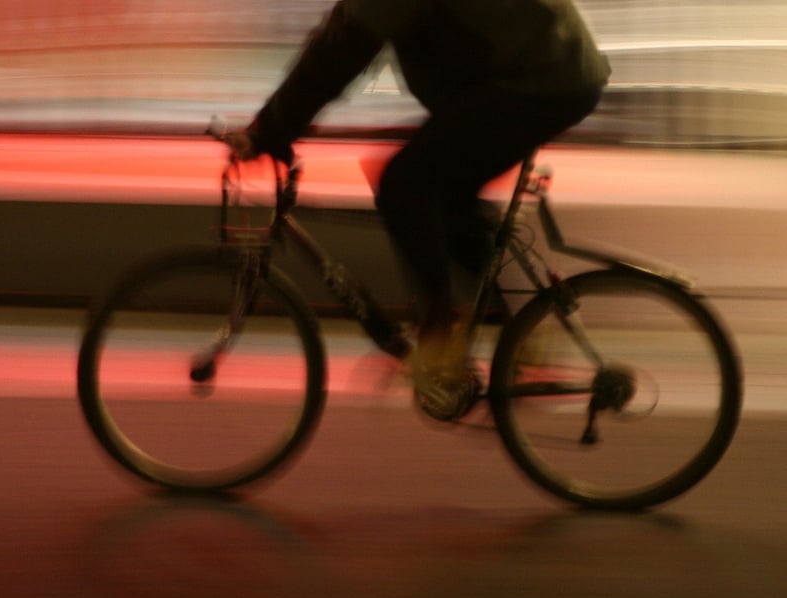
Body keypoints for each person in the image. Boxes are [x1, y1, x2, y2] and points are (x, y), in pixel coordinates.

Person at [228, 0, 610, 420]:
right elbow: (342, 33)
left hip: (540, 75)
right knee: (446, 193)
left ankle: (440, 338)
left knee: (405, 182)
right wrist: (274, 124)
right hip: (539, 67)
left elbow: (344, 51)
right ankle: (522, 340)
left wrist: (273, 128)